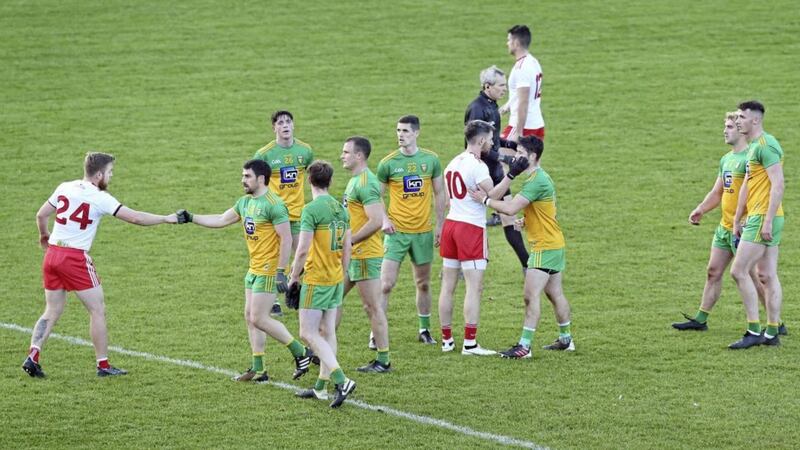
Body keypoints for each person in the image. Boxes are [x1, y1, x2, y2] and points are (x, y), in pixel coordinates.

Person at [23, 152, 178, 378]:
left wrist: (43, 236)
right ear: (98, 175)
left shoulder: (65, 187)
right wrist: (166, 218)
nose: (111, 177)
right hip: (74, 259)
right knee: (97, 310)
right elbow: (135, 217)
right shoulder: (100, 197)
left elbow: (41, 214)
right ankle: (103, 366)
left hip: (53, 255)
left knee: (52, 310)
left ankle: (33, 356)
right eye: (110, 172)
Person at [176, 159, 316, 382]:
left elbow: (286, 237)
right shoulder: (245, 202)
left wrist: (282, 271)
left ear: (261, 179)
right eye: (242, 176)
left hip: (269, 270)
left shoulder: (274, 204)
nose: (243, 180)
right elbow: (221, 219)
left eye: (247, 176)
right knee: (250, 318)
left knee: (259, 318)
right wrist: (192, 218)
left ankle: (301, 352)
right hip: (254, 268)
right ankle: (259, 369)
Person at [471, 136, 575, 359]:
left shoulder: (537, 180)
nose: (515, 157)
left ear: (533, 156)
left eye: (520, 152)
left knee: (530, 296)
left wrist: (485, 201)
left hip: (545, 248)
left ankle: (524, 347)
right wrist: (528, 221)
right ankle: (566, 339)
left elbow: (509, 209)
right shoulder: (539, 178)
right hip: (554, 244)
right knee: (555, 293)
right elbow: (544, 210)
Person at [672, 112, 775, 332]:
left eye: (729, 126)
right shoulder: (727, 159)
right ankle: (701, 319)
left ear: (741, 128)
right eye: (725, 126)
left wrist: (751, 218)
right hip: (725, 226)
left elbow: (762, 192)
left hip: (744, 228)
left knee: (754, 277)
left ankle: (774, 322)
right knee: (713, 271)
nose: (725, 130)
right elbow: (718, 191)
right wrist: (701, 208)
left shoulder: (753, 157)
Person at [439, 120, 529, 356]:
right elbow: (492, 196)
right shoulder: (477, 166)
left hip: (451, 224)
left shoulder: (452, 163)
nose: (492, 143)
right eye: (490, 139)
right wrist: (511, 176)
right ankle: (470, 344)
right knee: (474, 287)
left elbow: (448, 199)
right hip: (470, 228)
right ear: (480, 141)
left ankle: (446, 340)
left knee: (447, 286)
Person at [290, 161, 356, 408]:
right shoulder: (341, 209)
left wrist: (294, 276)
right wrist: (342, 271)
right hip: (336, 277)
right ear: (330, 181)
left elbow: (303, 249)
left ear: (309, 181)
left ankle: (341, 379)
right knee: (327, 332)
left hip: (317, 278)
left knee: (306, 332)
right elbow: (347, 247)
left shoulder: (311, 210)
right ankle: (320, 388)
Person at [376, 115, 446, 345]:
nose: (400, 135)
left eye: (405, 131)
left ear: (416, 133)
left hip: (423, 232)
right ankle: (376, 332)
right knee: (386, 284)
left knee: (423, 283)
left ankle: (424, 329)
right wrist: (384, 220)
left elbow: (439, 194)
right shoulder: (388, 163)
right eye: (398, 130)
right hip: (397, 233)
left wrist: (439, 225)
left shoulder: (431, 160)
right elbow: (376, 196)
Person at [728, 101, 785, 349]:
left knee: (738, 271)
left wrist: (768, 220)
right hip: (759, 216)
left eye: (741, 117)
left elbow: (779, 184)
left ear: (755, 120)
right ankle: (772, 332)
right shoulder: (753, 147)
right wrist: (738, 216)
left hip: (764, 216)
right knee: (766, 275)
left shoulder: (766, 146)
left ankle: (754, 330)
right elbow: (748, 185)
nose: (737, 120)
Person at [464, 64, 529, 271]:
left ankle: (527, 265)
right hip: (481, 171)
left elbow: (492, 140)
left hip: (494, 171)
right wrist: (504, 157)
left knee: (508, 217)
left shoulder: (492, 106)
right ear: (487, 86)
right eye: (501, 85)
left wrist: (512, 144)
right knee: (472, 220)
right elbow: (477, 146)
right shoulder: (477, 108)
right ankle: (458, 267)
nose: (505, 89)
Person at [253, 110, 314, 317]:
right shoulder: (265, 154)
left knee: (301, 255)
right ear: (274, 128)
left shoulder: (305, 151)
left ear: (293, 125)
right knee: (276, 256)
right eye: (280, 123)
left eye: (288, 122)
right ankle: (273, 299)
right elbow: (257, 185)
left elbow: (310, 178)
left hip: (297, 213)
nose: (285, 125)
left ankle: (295, 290)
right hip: (274, 214)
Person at [340, 136, 392, 372]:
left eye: (346, 152)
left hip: (364, 254)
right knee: (332, 298)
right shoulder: (356, 181)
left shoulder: (365, 182)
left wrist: (350, 241)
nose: (342, 156)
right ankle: (321, 348)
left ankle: (383, 359)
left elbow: (376, 220)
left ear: (359, 156)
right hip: (354, 254)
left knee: (371, 306)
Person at [500, 25, 545, 143]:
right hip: (537, 124)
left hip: (524, 127)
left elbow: (523, 101)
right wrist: (507, 106)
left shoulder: (521, 68)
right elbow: (523, 94)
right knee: (530, 161)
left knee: (495, 155)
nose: (507, 44)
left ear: (516, 43)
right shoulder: (533, 62)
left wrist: (519, 132)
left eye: (509, 40)